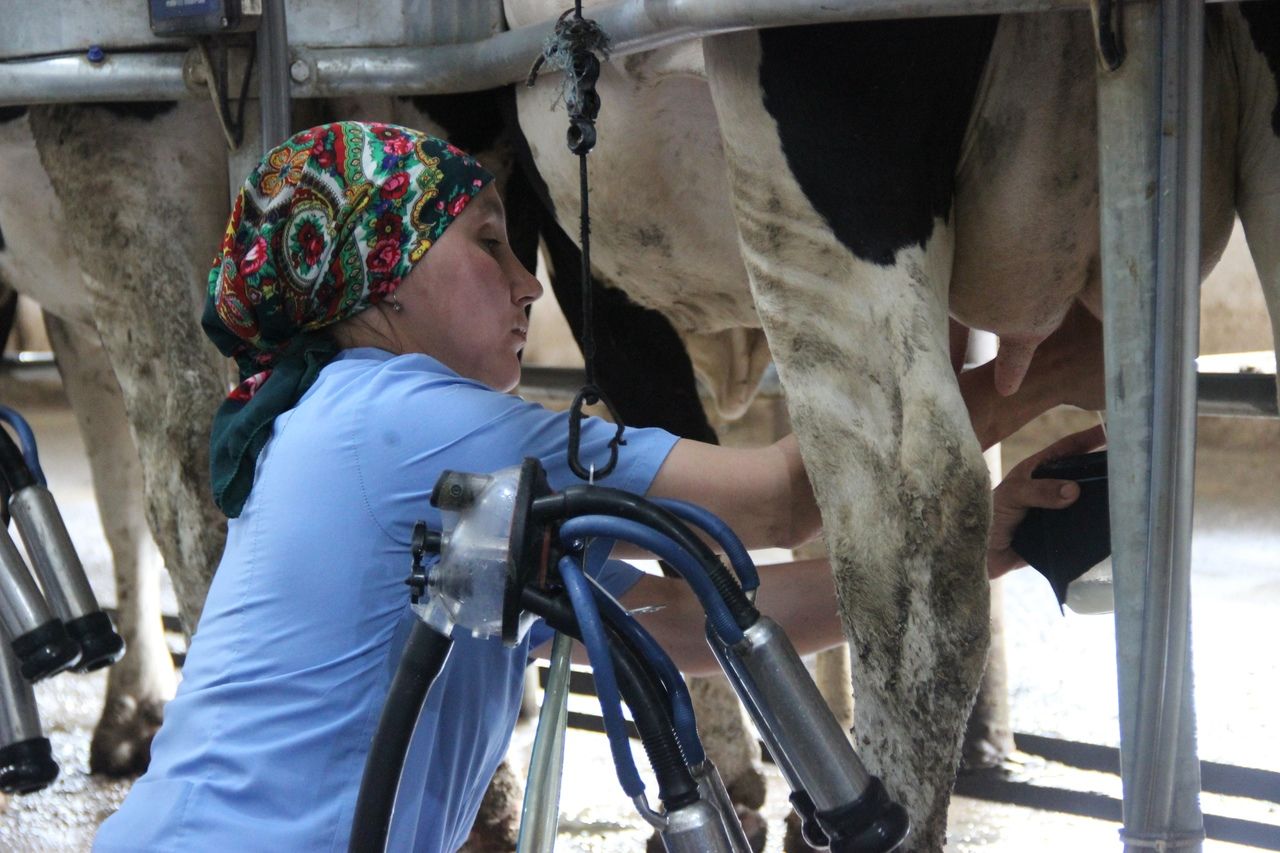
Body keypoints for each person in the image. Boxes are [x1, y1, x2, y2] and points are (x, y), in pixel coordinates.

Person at [93, 121, 1098, 852]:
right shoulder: (401, 417)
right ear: (379, 280)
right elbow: (781, 498)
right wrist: (1043, 372)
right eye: (487, 242)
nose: (529, 282)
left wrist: (972, 543)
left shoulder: (370, 435)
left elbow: (681, 620)